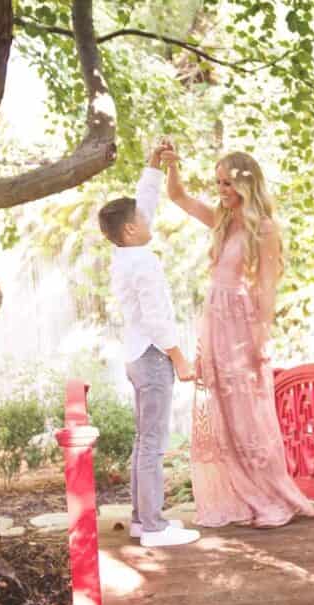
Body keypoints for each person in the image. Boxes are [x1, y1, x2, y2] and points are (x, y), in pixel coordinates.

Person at [161, 145, 314, 528]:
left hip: (240, 327)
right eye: (218, 183)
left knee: (249, 412)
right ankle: (243, 496)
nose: (221, 190)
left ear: (246, 184)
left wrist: (259, 342)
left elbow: (266, 287)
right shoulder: (222, 218)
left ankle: (272, 498)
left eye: (228, 183)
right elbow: (178, 196)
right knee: (226, 413)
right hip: (215, 323)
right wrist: (172, 165)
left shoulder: (263, 228)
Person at [98, 142, 200, 548]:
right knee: (153, 445)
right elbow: (157, 319)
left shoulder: (126, 252)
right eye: (141, 217)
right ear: (130, 230)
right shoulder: (144, 261)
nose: (148, 216)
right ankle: (154, 528)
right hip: (154, 357)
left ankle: (143, 521)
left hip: (136, 356)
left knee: (144, 442)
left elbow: (144, 204)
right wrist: (180, 358)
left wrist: (153, 166)